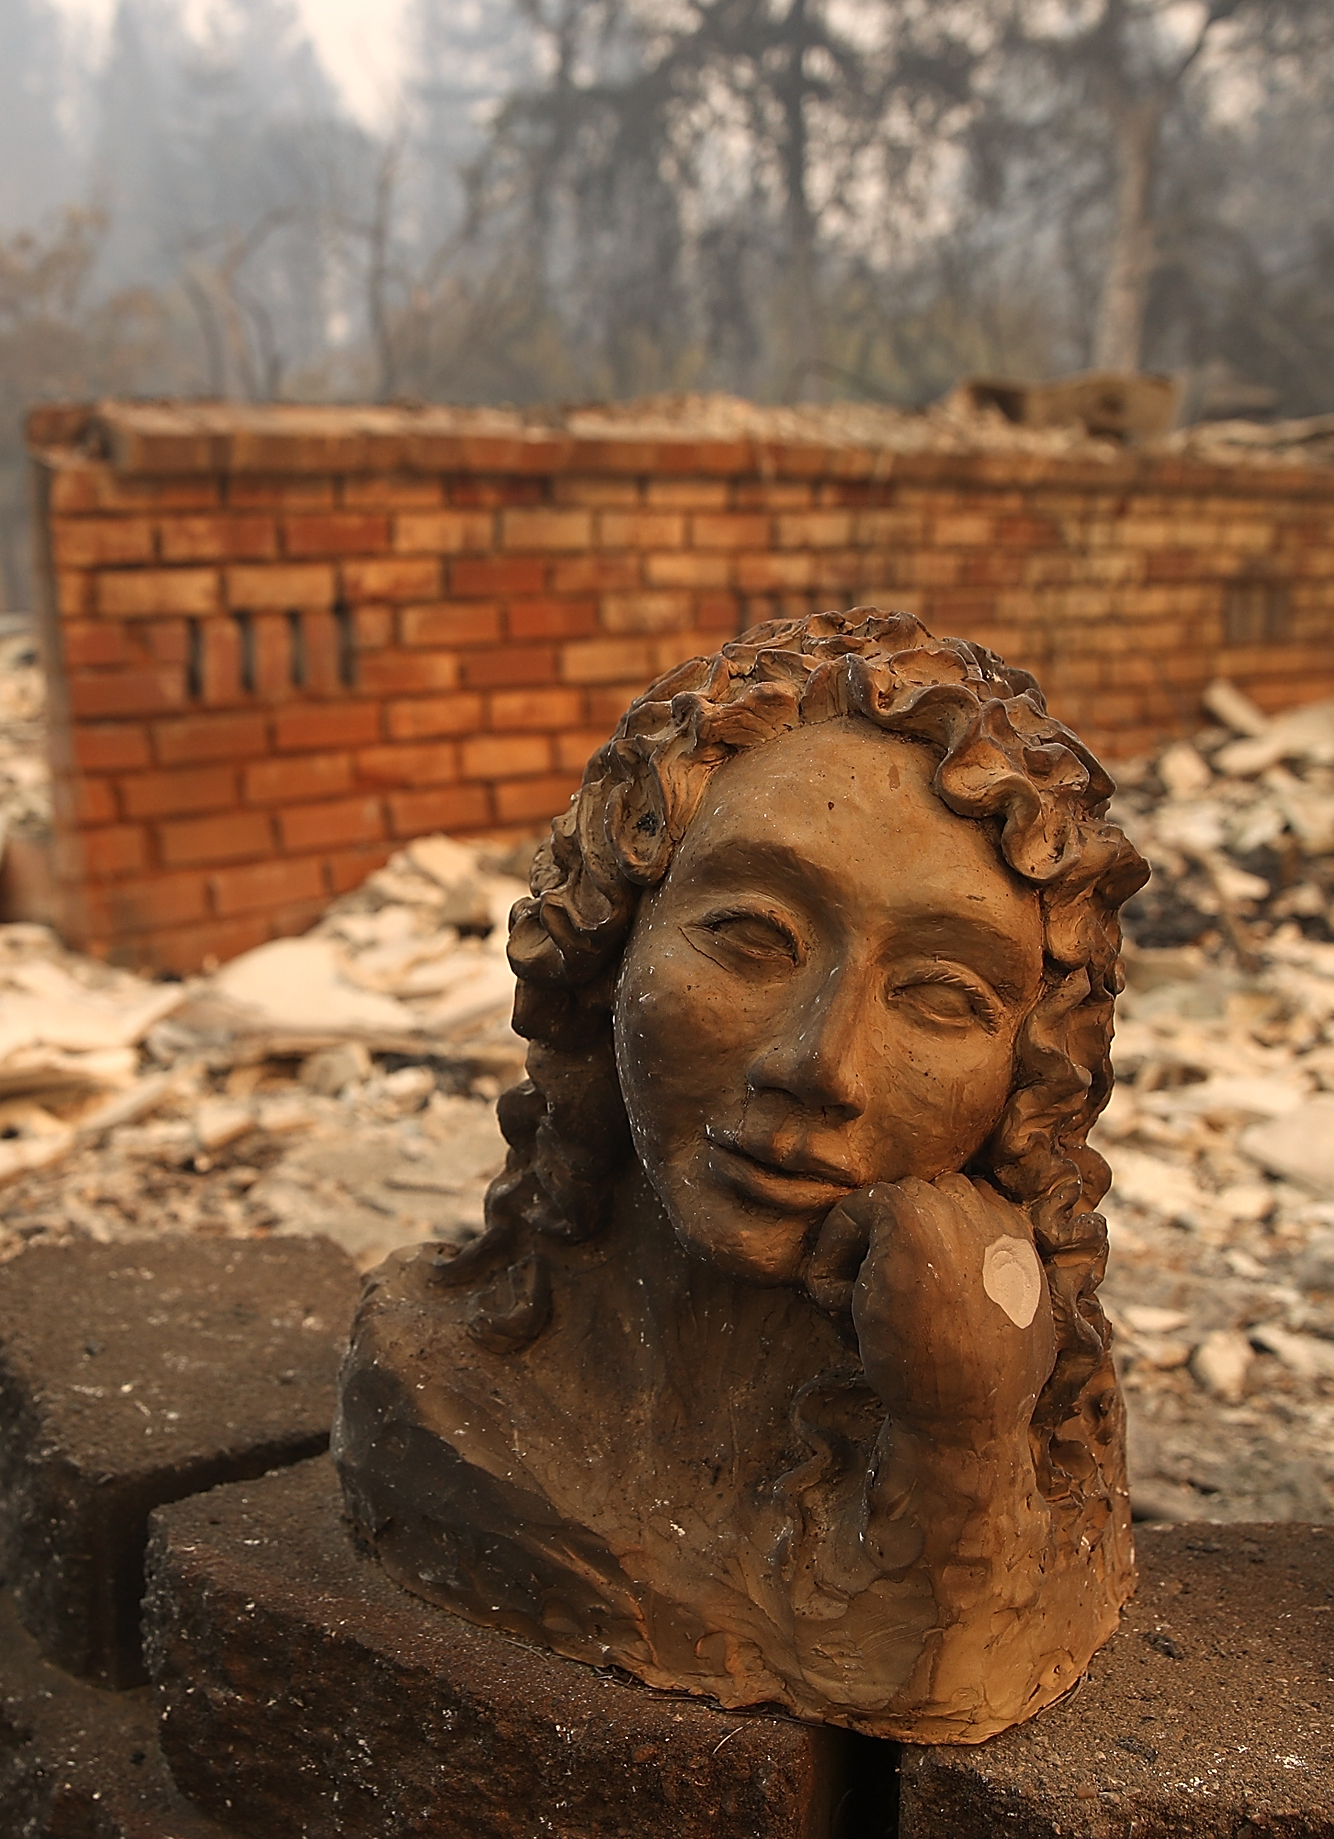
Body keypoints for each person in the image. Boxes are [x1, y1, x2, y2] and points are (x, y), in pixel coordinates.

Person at [335, 607, 1151, 1743]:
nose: (821, 1062)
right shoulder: (435, 1386)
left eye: (940, 996)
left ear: (1028, 1081)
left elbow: (946, 1661)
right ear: (606, 947)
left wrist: (958, 1436)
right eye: (752, 935)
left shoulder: (1015, 1433)